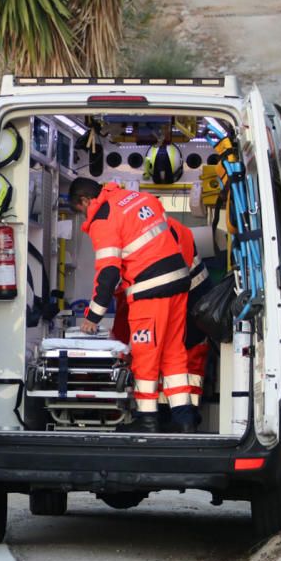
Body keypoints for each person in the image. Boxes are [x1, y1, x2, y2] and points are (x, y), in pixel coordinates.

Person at [69, 178, 194, 433]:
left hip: (150, 290)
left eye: (80, 210)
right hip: (179, 281)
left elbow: (108, 274)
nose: (83, 216)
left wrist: (93, 316)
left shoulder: (103, 219)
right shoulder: (141, 198)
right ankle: (185, 419)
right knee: (173, 354)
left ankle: (147, 421)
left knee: (145, 356)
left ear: (84, 201)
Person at [112, 217, 212, 429]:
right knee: (183, 363)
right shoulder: (174, 229)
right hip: (198, 305)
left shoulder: (144, 241)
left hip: (182, 305)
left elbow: (126, 302)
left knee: (156, 359)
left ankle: (160, 420)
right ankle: (184, 418)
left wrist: (121, 345)